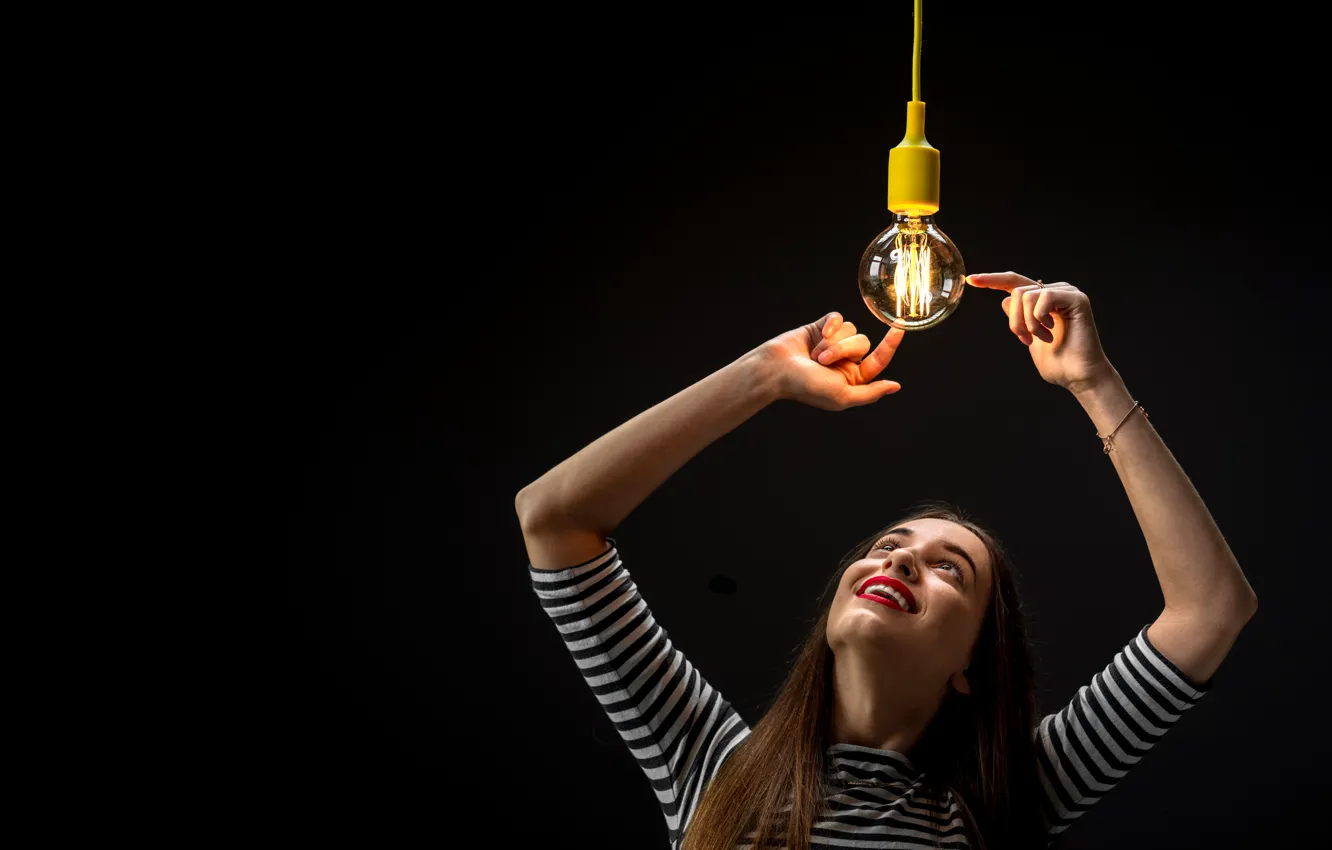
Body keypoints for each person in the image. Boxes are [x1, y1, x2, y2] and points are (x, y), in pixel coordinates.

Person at [515, 272, 1257, 849]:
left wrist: (1094, 384)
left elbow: (1211, 610)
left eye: (949, 569)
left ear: (972, 662)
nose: (901, 562)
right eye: (888, 547)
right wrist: (762, 376)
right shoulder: (709, 763)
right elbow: (551, 518)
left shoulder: (1012, 800)